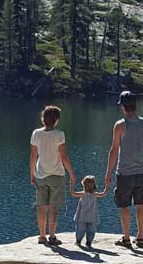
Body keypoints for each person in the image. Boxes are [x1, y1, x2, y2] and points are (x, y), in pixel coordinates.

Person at [105, 91, 143, 248]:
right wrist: (142, 160)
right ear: (135, 105)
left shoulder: (120, 125)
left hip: (124, 174)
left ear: (123, 106)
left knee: (124, 206)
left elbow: (114, 150)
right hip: (141, 173)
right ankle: (140, 238)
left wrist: (108, 174)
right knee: (141, 205)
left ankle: (126, 238)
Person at [30, 105, 75, 245]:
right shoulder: (59, 134)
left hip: (40, 174)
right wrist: (72, 173)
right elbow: (63, 156)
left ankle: (42, 236)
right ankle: (52, 237)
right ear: (56, 120)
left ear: (43, 118)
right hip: (57, 174)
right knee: (54, 207)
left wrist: (32, 173)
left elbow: (33, 155)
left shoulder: (36, 133)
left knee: (41, 206)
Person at [70, 175, 108, 248]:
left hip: (82, 216)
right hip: (92, 216)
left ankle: (78, 241)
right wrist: (107, 185)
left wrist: (71, 184)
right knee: (91, 230)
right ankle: (89, 242)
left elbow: (73, 193)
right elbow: (104, 194)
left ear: (84, 185)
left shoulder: (82, 194)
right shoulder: (95, 194)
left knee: (80, 229)